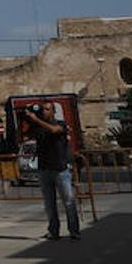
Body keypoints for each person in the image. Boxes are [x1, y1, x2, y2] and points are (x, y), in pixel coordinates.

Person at [23, 103, 80, 241]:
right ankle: (53, 231)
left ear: (53, 112)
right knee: (49, 204)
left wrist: (37, 120)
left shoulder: (60, 124)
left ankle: (74, 231)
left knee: (68, 201)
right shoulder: (38, 127)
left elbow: (55, 130)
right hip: (44, 168)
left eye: (47, 109)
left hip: (60, 169)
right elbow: (26, 135)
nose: (44, 111)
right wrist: (29, 119)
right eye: (42, 109)